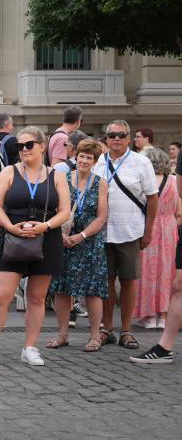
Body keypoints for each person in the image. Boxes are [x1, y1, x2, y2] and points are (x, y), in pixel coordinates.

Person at [0, 126, 70, 367]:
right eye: (19, 146)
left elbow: (65, 211)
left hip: (46, 238)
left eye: (28, 145)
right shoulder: (9, 172)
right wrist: (10, 227)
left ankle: (30, 347)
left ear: (42, 146)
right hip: (13, 236)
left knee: (37, 297)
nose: (23, 150)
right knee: (0, 296)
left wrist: (44, 226)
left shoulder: (56, 175)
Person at [93, 120, 159, 350]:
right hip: (103, 232)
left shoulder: (141, 163)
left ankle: (126, 330)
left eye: (121, 135)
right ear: (106, 138)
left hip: (131, 230)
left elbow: (152, 198)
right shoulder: (98, 161)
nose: (116, 139)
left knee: (128, 281)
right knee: (107, 281)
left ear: (129, 138)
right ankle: (107, 328)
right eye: (112, 135)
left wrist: (148, 231)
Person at [47, 138, 108, 352]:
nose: (84, 160)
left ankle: (94, 337)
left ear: (94, 161)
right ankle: (62, 334)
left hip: (89, 242)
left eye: (89, 157)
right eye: (81, 156)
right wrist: (60, 234)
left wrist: (81, 235)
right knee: (62, 288)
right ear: (76, 157)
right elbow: (55, 209)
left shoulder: (100, 182)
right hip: (63, 240)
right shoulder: (62, 178)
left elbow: (101, 217)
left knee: (92, 290)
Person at [135, 147, 179, 330]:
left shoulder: (144, 182)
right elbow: (180, 212)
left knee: (147, 272)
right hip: (169, 228)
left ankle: (149, 316)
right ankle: (164, 315)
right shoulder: (175, 182)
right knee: (167, 272)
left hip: (148, 227)